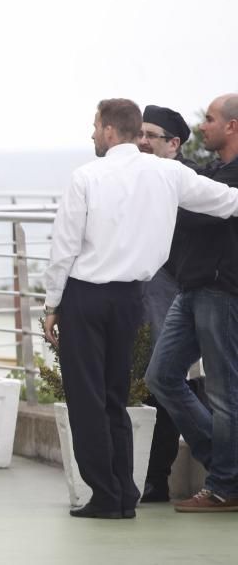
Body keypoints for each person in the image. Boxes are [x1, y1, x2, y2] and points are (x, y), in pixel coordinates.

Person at [42, 98, 238, 520]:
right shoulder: (169, 172)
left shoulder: (86, 177)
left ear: (111, 130)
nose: (93, 133)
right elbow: (228, 201)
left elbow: (64, 249)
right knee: (116, 397)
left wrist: (52, 304)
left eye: (95, 126)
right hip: (132, 300)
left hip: (85, 298)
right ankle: (124, 494)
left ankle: (105, 496)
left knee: (87, 400)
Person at [145, 93, 238, 512]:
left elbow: (194, 212)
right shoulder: (215, 171)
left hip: (221, 291)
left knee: (224, 393)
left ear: (232, 126)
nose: (203, 126)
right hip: (191, 289)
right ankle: (226, 468)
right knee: (161, 378)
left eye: (211, 120)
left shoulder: (229, 178)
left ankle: (224, 486)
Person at [136, 104, 202, 503]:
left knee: (163, 385)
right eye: (139, 133)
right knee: (150, 384)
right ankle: (149, 477)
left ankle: (157, 478)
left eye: (151, 135)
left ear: (173, 144)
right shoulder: (135, 175)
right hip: (140, 292)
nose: (141, 141)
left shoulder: (189, 180)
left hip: (176, 290)